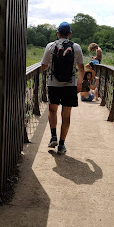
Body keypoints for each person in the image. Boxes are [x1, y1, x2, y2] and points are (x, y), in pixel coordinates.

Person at [41, 22, 84, 154]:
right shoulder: (76, 47)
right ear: (70, 34)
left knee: (52, 110)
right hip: (69, 85)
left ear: (58, 33)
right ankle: (61, 145)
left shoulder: (51, 46)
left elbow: (43, 66)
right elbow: (81, 68)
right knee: (66, 116)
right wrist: (79, 83)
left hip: (53, 84)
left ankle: (53, 136)